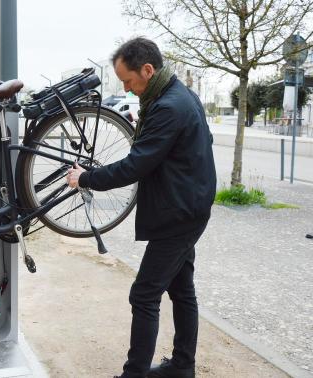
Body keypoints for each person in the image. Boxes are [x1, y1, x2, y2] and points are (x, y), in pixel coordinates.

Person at [66, 37, 216, 378]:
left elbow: (135, 166)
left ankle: (134, 374)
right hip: (189, 205)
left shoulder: (168, 106)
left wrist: (86, 178)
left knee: (144, 295)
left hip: (180, 214)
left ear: (147, 70)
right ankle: (182, 367)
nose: (127, 88)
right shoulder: (178, 95)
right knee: (181, 289)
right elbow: (195, 143)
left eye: (129, 81)